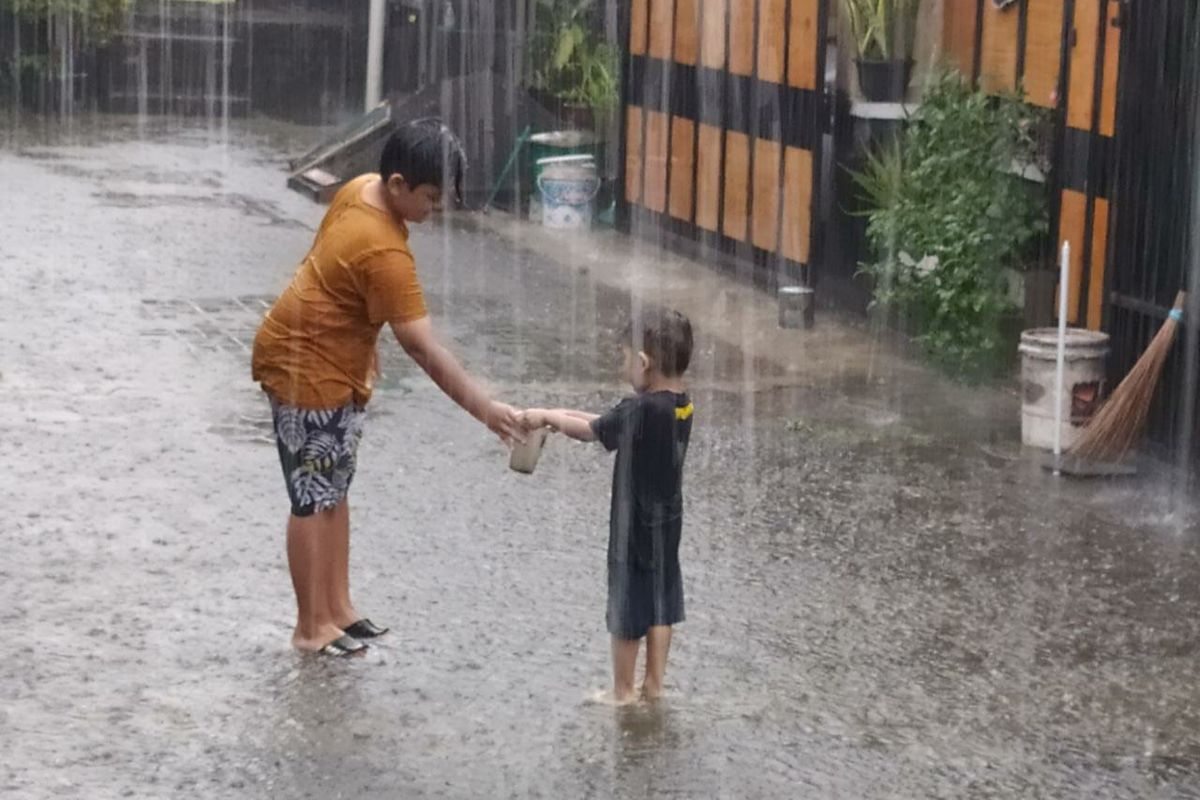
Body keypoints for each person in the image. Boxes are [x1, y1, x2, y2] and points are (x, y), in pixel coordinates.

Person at [252, 119, 524, 657]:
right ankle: (311, 628)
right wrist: (485, 410)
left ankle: (337, 607)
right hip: (303, 368)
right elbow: (423, 348)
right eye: (430, 197)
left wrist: (357, 334)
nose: (437, 209)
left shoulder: (359, 189)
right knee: (311, 496)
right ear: (397, 184)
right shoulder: (383, 250)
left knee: (335, 487)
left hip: (336, 364)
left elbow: (326, 269)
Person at [521, 309, 694, 702]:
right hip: (666, 525)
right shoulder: (680, 405)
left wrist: (546, 416)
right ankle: (653, 684)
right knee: (661, 602)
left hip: (633, 530)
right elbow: (607, 422)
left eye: (624, 358)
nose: (622, 367)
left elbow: (592, 432)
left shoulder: (641, 409)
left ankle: (621, 692)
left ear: (643, 363)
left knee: (627, 607)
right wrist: (559, 415)